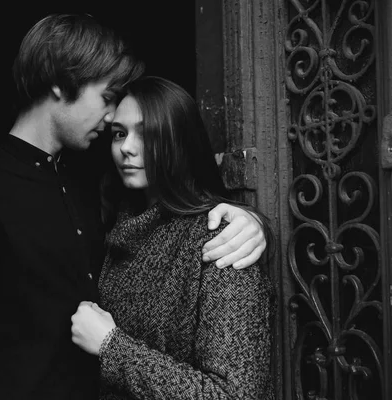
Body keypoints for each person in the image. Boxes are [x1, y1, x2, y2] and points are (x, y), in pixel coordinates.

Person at [0, 14, 268, 400]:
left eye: (144, 132)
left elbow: (184, 199)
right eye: (108, 101)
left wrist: (256, 222)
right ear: (61, 83)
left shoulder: (90, 186)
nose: (115, 127)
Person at [70, 76, 275, 399]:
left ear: (181, 142)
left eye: (148, 134)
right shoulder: (117, 230)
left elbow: (232, 395)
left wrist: (113, 346)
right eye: (119, 133)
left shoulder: (220, 238)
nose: (127, 147)